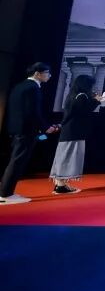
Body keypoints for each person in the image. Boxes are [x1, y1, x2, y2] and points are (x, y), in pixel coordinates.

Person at [1, 62, 58, 205]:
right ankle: (5, 194)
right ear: (37, 73)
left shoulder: (19, 86)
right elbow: (33, 111)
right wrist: (45, 127)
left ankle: (6, 192)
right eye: (47, 73)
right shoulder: (33, 88)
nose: (49, 76)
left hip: (15, 129)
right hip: (26, 131)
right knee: (17, 161)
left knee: (15, 160)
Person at [49, 74, 101, 194]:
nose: (92, 88)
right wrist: (96, 101)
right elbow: (84, 112)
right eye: (91, 85)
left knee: (64, 157)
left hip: (69, 132)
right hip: (74, 132)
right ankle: (60, 186)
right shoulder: (82, 96)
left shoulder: (73, 95)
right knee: (68, 158)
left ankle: (60, 184)